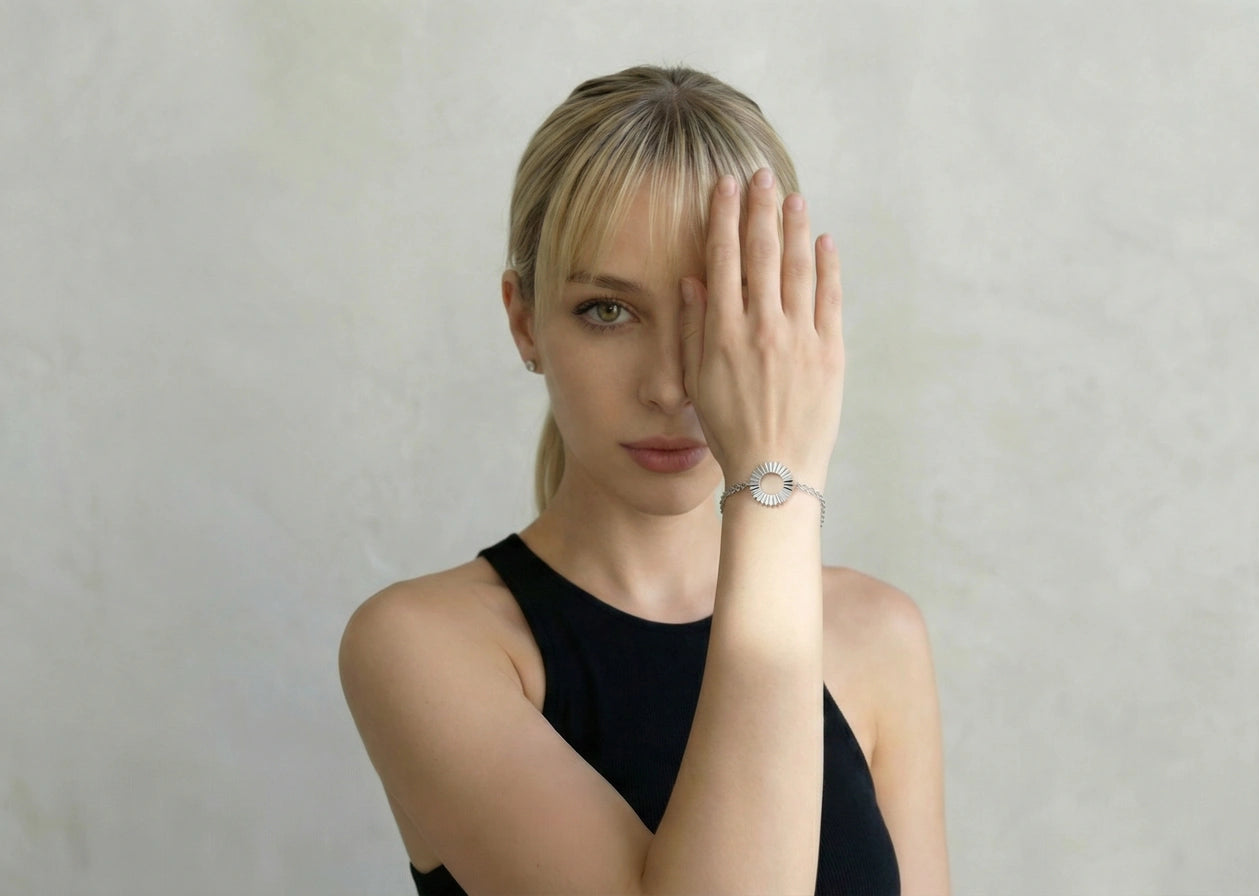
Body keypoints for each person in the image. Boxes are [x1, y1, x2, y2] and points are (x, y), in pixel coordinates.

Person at [338, 64, 949, 895]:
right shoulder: (425, 648)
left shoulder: (879, 636)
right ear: (524, 320)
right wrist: (778, 479)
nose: (670, 385)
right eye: (608, 311)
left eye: (720, 311)